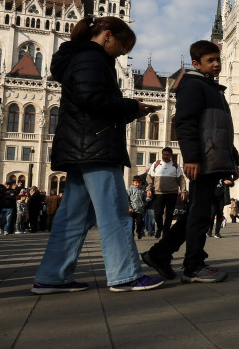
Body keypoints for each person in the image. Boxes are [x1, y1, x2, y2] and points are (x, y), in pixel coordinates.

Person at [30, 15, 164, 294]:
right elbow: (91, 99)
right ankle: (125, 275)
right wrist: (130, 107)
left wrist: (129, 110)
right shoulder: (91, 59)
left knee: (73, 216)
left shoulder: (80, 57)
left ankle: (52, 276)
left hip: (84, 145)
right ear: (107, 36)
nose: (121, 54)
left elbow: (89, 105)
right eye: (122, 47)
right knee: (115, 212)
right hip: (95, 147)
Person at [142, 40, 238, 284]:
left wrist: (233, 159)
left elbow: (222, 130)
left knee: (197, 212)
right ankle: (193, 266)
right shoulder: (193, 86)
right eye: (210, 61)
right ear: (196, 63)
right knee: (199, 214)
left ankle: (159, 254)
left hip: (213, 158)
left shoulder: (211, 88)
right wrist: (192, 158)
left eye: (218, 59)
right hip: (203, 159)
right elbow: (185, 123)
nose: (216, 64)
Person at [147, 148, 182, 237]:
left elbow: (181, 180)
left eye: (167, 155)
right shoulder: (156, 164)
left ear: (171, 155)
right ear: (161, 154)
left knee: (169, 214)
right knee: (158, 213)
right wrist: (148, 189)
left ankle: (166, 231)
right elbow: (150, 178)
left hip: (172, 193)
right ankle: (159, 227)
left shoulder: (175, 165)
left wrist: (183, 192)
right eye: (164, 154)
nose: (165, 156)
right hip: (158, 193)